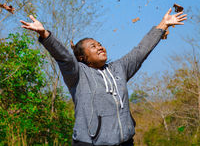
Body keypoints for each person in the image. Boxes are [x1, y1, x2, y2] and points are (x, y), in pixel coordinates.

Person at [20, 8, 187, 146]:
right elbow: (64, 56)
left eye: (100, 44)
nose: (100, 47)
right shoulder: (77, 74)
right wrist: (45, 34)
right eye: (93, 46)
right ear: (82, 57)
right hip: (90, 143)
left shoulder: (119, 69)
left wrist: (163, 24)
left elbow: (141, 51)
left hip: (125, 142)